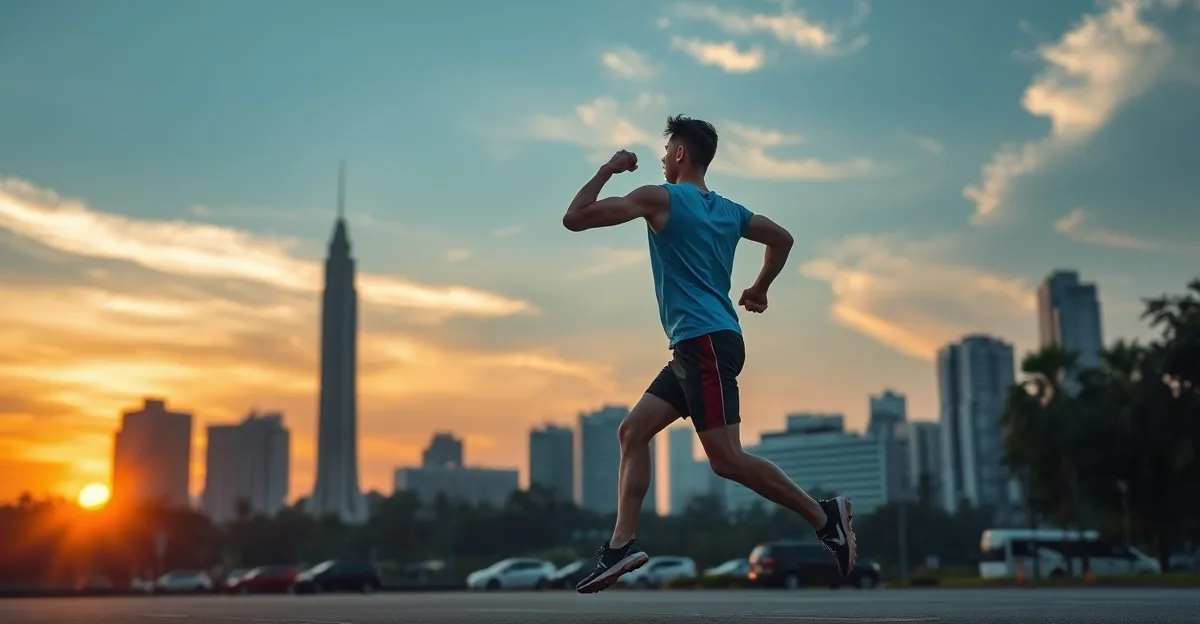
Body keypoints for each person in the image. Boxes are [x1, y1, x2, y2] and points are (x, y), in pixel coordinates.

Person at [561, 115, 856, 594]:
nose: (662, 161)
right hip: (698, 344)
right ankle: (621, 545)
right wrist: (759, 288)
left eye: (665, 153)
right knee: (632, 431)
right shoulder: (730, 211)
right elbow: (782, 238)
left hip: (704, 344)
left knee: (726, 459)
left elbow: (575, 218)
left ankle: (824, 517)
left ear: (679, 154)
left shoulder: (661, 198)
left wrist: (610, 168)